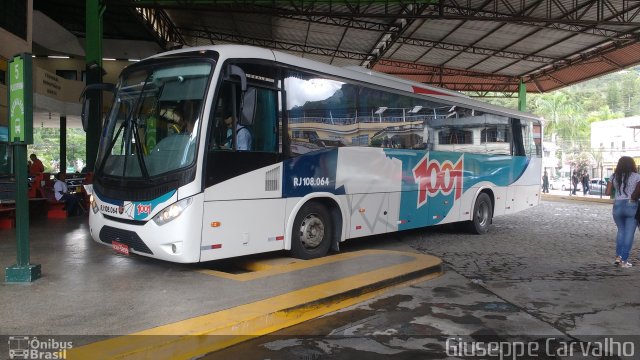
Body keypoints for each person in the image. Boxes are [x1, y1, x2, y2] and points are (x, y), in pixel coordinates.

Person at [605, 156, 640, 268]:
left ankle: (618, 257)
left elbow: (607, 192)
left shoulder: (614, 176)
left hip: (618, 205)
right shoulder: (637, 176)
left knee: (621, 231)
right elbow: (637, 192)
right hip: (632, 205)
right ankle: (624, 261)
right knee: (629, 233)